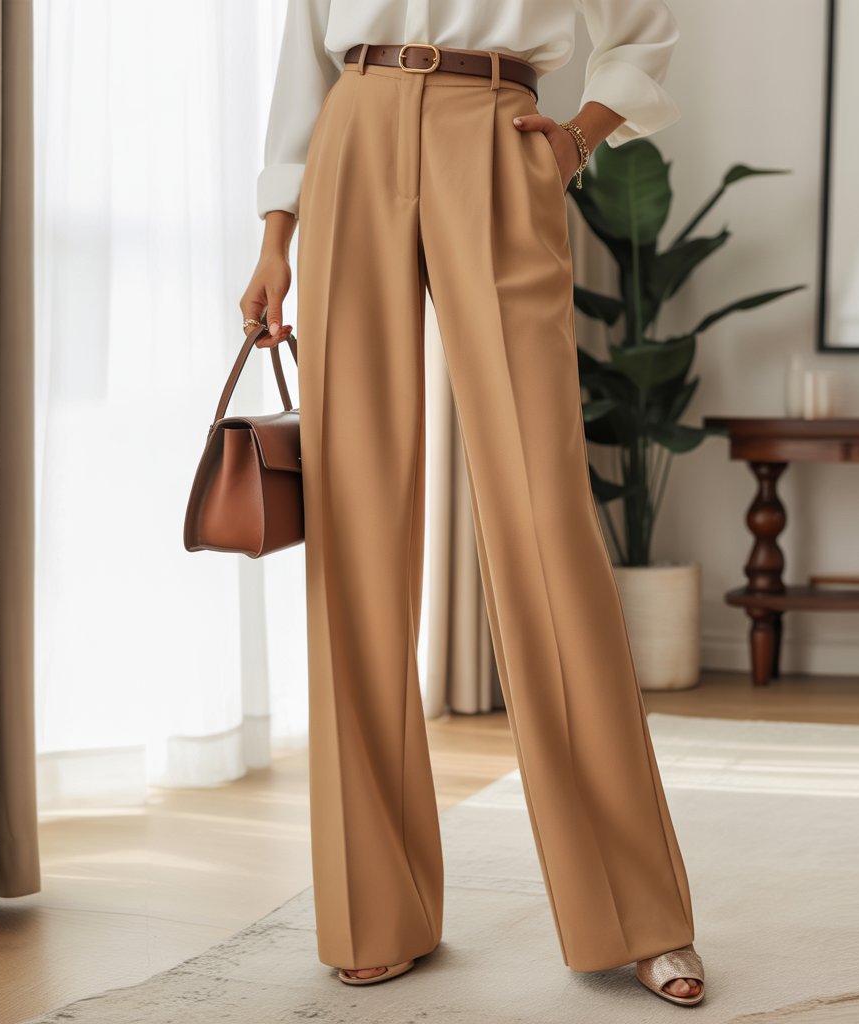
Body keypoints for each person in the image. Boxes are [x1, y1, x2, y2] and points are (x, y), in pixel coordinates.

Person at [240, 0, 705, 1009]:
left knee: (543, 520)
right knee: (355, 521)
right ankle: (373, 907)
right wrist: (276, 234)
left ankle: (638, 913)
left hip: (494, 132)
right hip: (351, 133)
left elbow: (644, 24)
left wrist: (580, 136)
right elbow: (297, 67)